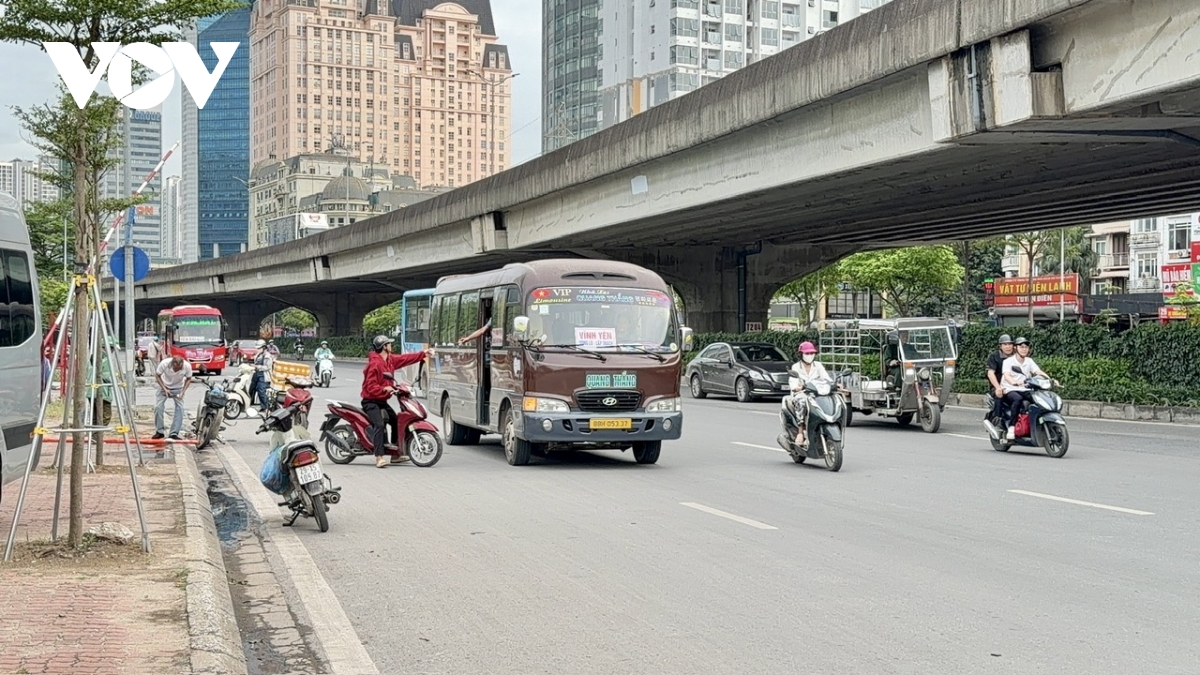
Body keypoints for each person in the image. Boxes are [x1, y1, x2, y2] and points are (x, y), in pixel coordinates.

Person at [362, 335, 429, 468]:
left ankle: (395, 454)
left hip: (382, 401)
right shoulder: (375, 364)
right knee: (379, 425)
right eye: (388, 344)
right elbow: (370, 387)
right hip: (370, 401)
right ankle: (379, 457)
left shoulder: (389, 360)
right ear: (384, 347)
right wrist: (384, 389)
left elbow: (405, 359)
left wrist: (423, 354)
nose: (391, 346)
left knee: (396, 421)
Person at [1000, 337, 1053, 439]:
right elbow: (1007, 376)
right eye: (1021, 346)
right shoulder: (1008, 361)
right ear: (1015, 348)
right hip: (1010, 389)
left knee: (1039, 399)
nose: (1024, 349)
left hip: (1025, 389)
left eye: (1026, 347)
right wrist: (1014, 382)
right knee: (1018, 399)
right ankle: (1011, 427)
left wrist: (1050, 379)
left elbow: (1038, 371)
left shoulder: (1029, 361)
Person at [782, 341, 830, 448]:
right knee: (802, 401)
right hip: (801, 394)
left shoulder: (818, 365)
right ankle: (800, 431)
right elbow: (793, 384)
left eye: (812, 353)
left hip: (816, 394)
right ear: (801, 354)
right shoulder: (796, 367)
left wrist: (835, 385)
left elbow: (826, 378)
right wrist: (799, 387)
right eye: (807, 354)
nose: (810, 356)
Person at [154, 356, 194, 440]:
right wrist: (164, 389)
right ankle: (159, 432)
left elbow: (189, 378)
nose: (177, 370)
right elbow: (157, 376)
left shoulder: (187, 366)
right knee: (158, 407)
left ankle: (174, 433)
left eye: (179, 369)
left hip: (178, 388)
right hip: (164, 386)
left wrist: (183, 391)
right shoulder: (164, 363)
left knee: (180, 408)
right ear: (172, 365)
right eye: (175, 369)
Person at [986, 334, 1015, 426]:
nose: (1008, 347)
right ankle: (997, 420)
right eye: (1005, 344)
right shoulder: (994, 357)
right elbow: (990, 373)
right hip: (999, 386)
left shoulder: (1017, 356)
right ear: (1000, 346)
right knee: (1000, 395)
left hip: (1015, 385)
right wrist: (998, 387)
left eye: (1010, 344)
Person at [250, 340, 274, 412]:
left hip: (263, 375)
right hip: (256, 374)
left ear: (264, 348)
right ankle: (250, 405)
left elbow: (267, 367)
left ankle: (266, 407)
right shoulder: (258, 355)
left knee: (261, 390)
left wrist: (257, 367)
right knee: (251, 389)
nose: (258, 350)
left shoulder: (268, 356)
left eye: (259, 348)